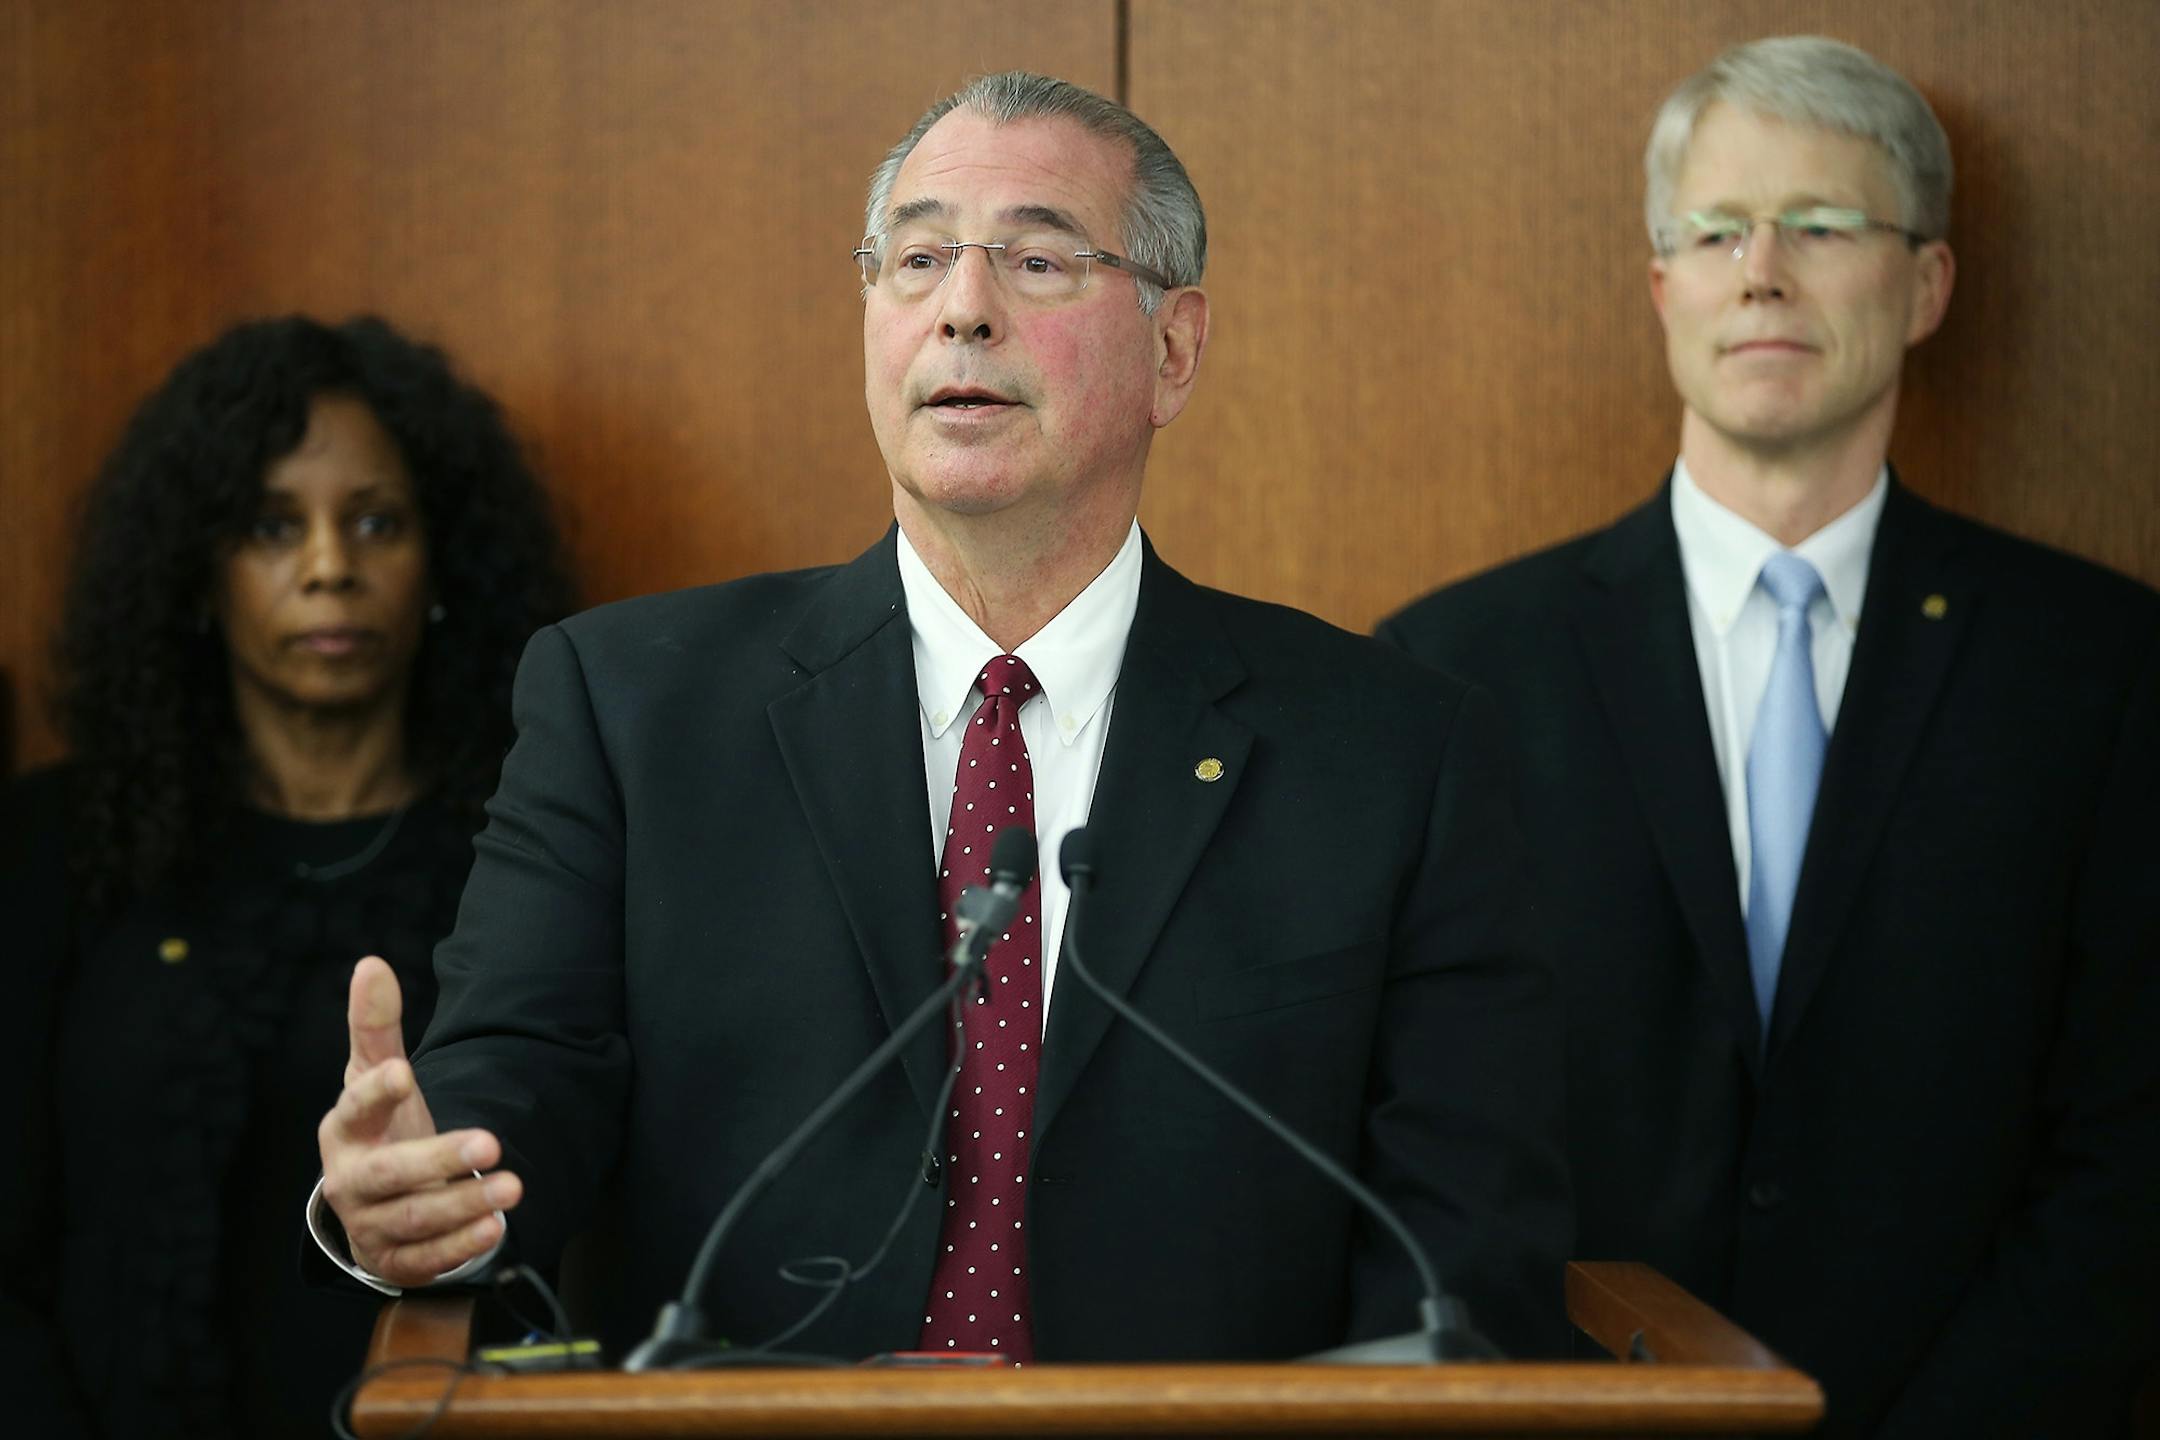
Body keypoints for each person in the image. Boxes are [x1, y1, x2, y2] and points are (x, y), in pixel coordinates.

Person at [311, 72, 1572, 1366]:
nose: (964, 309)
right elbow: (525, 1066)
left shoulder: (1391, 754)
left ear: (1174, 348)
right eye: (917, 258)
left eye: (1035, 259)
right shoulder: (630, 702)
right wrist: (438, 1190)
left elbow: (1461, 1241)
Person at [1379, 35, 2159, 1438]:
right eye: (1719, 230)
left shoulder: (2103, 669)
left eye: (1820, 225)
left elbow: (2136, 1141)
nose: (1763, 272)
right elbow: (1413, 1138)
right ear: (1663, 280)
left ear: (1926, 286)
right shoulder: (1456, 670)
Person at [0, 314, 576, 1437]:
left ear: (442, 561)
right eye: (271, 527)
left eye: (375, 523)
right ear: (197, 572)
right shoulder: (56, 850)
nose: (329, 568)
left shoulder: (536, 851)